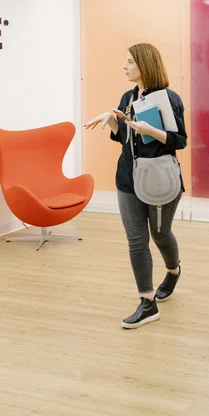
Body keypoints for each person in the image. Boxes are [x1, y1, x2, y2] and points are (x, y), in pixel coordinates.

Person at [84, 43, 188, 329]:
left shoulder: (169, 98)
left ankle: (173, 270)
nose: (124, 66)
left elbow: (180, 140)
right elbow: (125, 140)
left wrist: (151, 130)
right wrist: (112, 121)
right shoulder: (128, 97)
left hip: (160, 180)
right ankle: (147, 302)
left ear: (145, 65)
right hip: (128, 179)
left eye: (130, 61)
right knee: (137, 241)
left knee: (161, 233)